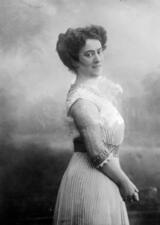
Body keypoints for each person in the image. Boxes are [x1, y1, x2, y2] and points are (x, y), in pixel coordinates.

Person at [54, 25, 139, 225]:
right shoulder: (81, 100)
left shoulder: (96, 91)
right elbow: (96, 151)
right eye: (89, 54)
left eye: (100, 51)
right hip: (90, 179)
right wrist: (124, 181)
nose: (98, 58)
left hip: (106, 177)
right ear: (74, 60)